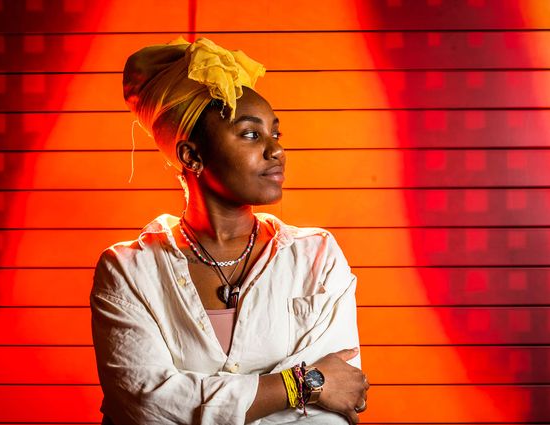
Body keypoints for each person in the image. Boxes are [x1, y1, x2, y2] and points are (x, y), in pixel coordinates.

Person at [91, 37, 369, 425]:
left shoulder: (316, 257)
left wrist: (193, 399)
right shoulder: (128, 270)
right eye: (252, 135)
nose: (276, 151)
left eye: (277, 133)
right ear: (192, 156)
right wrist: (299, 385)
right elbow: (146, 406)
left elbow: (331, 411)